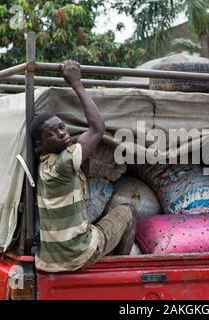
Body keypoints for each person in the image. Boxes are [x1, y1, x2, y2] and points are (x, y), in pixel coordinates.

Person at [30, 60, 137, 273]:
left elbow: (82, 169)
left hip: (50, 258)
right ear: (41, 143)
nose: (61, 133)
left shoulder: (44, 162)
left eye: (62, 127)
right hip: (79, 253)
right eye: (51, 133)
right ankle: (122, 271)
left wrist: (70, 143)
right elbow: (98, 128)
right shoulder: (65, 161)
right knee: (129, 211)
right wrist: (76, 84)